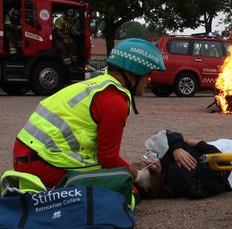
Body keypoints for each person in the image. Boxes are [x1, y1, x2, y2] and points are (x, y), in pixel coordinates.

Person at [12, 38, 165, 189]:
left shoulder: (97, 85)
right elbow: (108, 159)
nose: (149, 80)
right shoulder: (114, 102)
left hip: (28, 157)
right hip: (43, 165)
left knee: (117, 174)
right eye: (148, 74)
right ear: (134, 74)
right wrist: (139, 176)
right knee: (126, 188)